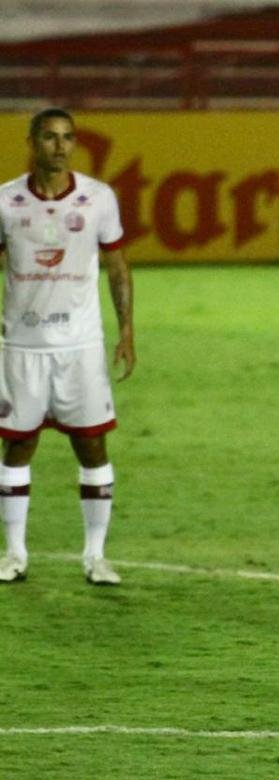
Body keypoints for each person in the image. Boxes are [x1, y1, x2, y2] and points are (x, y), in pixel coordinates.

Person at [0, 107, 135, 586]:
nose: (60, 145)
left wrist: (125, 331)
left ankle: (95, 557)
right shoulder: (6, 201)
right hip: (22, 345)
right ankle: (14, 553)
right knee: (17, 447)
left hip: (80, 347)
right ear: (33, 142)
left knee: (92, 443)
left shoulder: (98, 199)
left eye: (67, 138)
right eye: (50, 137)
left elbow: (117, 267)